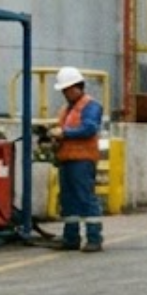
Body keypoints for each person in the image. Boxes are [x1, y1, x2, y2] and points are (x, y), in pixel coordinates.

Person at [49, 66, 104, 253]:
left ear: (76, 87)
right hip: (67, 160)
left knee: (85, 199)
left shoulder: (91, 106)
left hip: (82, 160)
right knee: (68, 200)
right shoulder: (66, 109)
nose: (65, 94)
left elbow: (89, 128)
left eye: (67, 89)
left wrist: (64, 133)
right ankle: (71, 237)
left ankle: (94, 238)